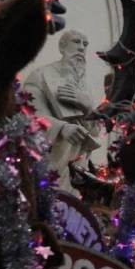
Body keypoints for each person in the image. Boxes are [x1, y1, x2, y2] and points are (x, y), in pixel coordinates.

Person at [23, 29, 101, 190]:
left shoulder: (85, 87)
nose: (81, 48)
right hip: (50, 162)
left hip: (78, 167)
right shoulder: (40, 75)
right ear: (62, 47)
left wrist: (87, 107)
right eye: (76, 42)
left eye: (85, 44)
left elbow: (95, 132)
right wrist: (62, 127)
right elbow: (30, 115)